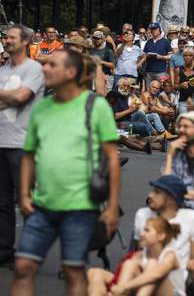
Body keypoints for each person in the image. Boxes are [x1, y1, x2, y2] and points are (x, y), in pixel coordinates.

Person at [12, 49, 121, 296]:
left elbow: (113, 159)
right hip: (41, 206)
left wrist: (113, 208)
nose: (44, 68)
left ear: (71, 72)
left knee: (73, 272)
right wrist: (24, 195)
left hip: (80, 207)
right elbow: (29, 155)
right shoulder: (41, 108)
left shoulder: (96, 107)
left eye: (52, 64)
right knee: (23, 267)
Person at [0, 25, 44, 267]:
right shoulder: (3, 70)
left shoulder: (34, 69)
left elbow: (21, 97)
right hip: (1, 142)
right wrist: (11, 98)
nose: (6, 41)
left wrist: (11, 97)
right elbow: (14, 98)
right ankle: (4, 251)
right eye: (5, 37)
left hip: (22, 144)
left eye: (11, 37)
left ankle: (30, 254)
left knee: (26, 201)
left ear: (25, 42)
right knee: (2, 202)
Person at [132, 175, 194, 277]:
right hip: (144, 273)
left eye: (157, 192)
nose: (150, 195)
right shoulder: (142, 214)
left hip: (176, 279)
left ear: (172, 198)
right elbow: (140, 250)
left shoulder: (193, 218)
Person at [88, 216, 182, 296]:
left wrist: (124, 287)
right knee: (127, 264)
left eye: (147, 230)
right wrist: (118, 289)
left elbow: (155, 275)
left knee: (152, 264)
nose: (141, 234)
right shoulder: (140, 255)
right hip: (146, 291)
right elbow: (124, 275)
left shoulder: (169, 255)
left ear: (161, 236)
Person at [142, 22, 173, 89]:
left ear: (159, 29)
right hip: (149, 71)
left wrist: (161, 57)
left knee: (160, 89)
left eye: (155, 29)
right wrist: (147, 55)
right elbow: (144, 55)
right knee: (149, 90)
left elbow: (171, 56)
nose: (153, 31)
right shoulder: (148, 42)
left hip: (161, 72)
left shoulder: (165, 42)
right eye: (152, 29)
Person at [175, 47, 194, 114]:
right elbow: (174, 87)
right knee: (184, 119)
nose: (187, 57)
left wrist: (192, 82)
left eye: (190, 55)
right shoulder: (178, 69)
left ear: (193, 57)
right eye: (185, 55)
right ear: (183, 57)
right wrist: (180, 85)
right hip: (183, 101)